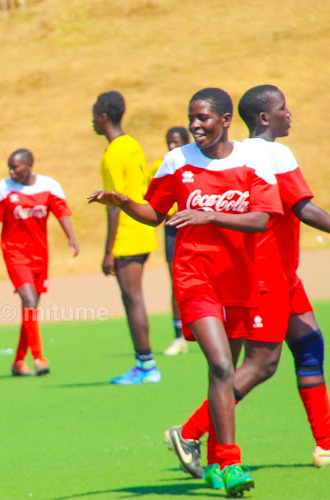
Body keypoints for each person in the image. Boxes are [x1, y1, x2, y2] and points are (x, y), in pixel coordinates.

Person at [88, 87, 284, 496]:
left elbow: (263, 219)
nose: (195, 125)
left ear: (226, 119)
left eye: (204, 118)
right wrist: (124, 202)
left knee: (226, 371)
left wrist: (210, 214)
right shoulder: (177, 162)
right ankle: (230, 462)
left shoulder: (253, 161)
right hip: (195, 278)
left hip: (239, 280)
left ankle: (213, 460)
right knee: (220, 366)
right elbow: (156, 214)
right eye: (191, 118)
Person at [165, 85, 330, 475]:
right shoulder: (271, 154)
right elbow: (305, 210)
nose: (290, 113)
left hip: (284, 273)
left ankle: (325, 444)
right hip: (265, 275)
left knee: (309, 345)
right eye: (283, 108)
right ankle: (191, 433)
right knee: (261, 363)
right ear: (264, 117)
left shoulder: (243, 151)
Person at [0, 148, 79, 376]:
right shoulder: (3, 189)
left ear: (29, 165)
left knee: (30, 308)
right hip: (14, 253)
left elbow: (61, 212)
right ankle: (39, 357)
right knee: (29, 299)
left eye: (16, 167)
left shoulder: (49, 186)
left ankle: (18, 361)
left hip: (40, 255)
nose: (12, 171)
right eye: (10, 167)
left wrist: (71, 237)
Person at [92, 90, 159, 384]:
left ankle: (146, 366)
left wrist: (108, 251)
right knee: (135, 298)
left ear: (103, 117)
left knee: (132, 299)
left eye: (94, 115)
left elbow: (114, 205)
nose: (92, 121)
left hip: (128, 236)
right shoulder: (132, 143)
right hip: (144, 230)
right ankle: (145, 364)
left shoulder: (112, 154)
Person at [148, 127, 191, 356]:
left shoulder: (196, 163)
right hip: (172, 228)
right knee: (176, 280)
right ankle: (178, 337)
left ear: (187, 141)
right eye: (169, 142)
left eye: (176, 141)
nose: (172, 146)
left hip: (195, 226)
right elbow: (153, 200)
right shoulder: (160, 166)